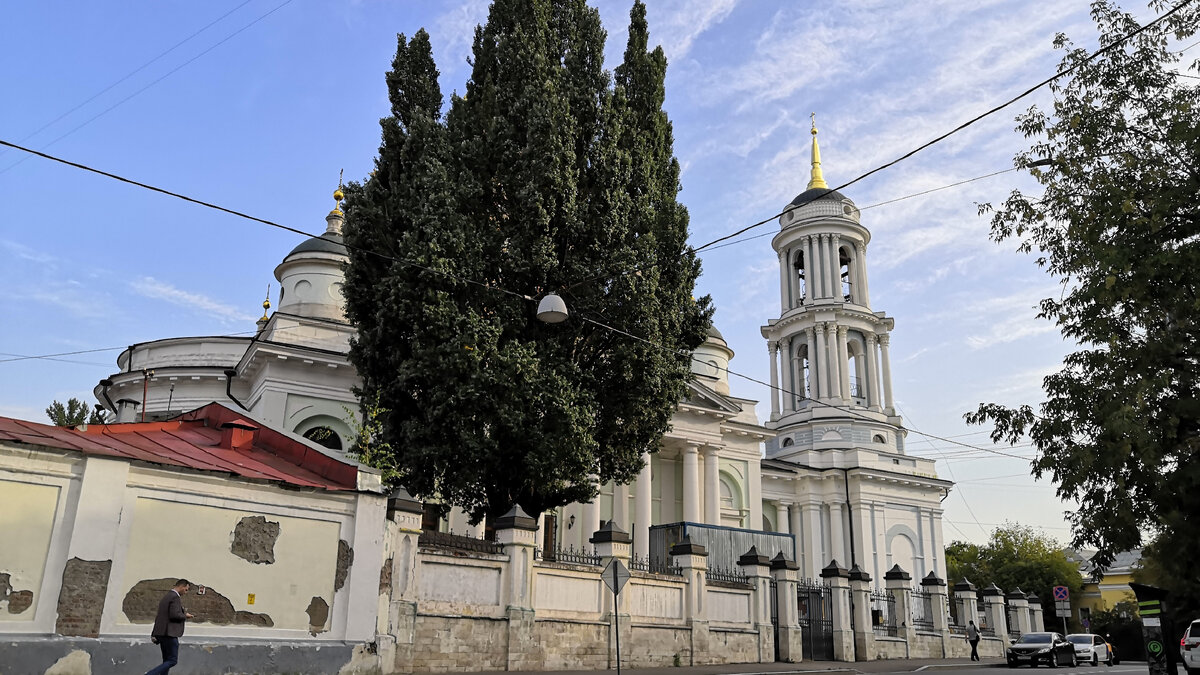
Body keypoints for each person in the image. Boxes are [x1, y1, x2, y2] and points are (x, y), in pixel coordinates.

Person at [145, 579, 194, 675]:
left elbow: (161, 616)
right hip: (169, 633)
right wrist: (185, 616)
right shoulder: (175, 597)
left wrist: (154, 633)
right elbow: (174, 615)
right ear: (181, 586)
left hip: (161, 633)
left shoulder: (166, 597)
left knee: (166, 660)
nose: (186, 592)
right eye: (186, 589)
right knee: (172, 660)